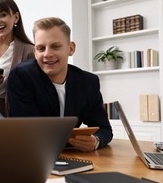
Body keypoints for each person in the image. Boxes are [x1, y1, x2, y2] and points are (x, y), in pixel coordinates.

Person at [7, 17, 112, 152]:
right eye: (41, 48)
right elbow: (29, 132)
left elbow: (104, 129)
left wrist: (95, 140)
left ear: (71, 48)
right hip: (30, 155)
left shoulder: (88, 82)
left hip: (74, 157)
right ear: (34, 52)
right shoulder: (21, 77)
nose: (47, 54)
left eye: (55, 46)